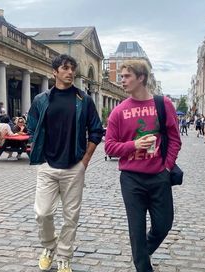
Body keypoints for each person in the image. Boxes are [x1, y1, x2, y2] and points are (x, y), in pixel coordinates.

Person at [27, 54, 103, 272]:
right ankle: (49, 247)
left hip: (74, 167)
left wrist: (84, 161)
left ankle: (64, 256)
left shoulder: (84, 99)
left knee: (71, 216)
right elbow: (31, 126)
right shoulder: (41, 99)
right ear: (55, 72)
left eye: (72, 68)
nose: (70, 72)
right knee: (42, 213)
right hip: (48, 166)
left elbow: (96, 131)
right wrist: (38, 149)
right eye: (65, 68)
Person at [105, 60, 181, 272]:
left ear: (141, 78)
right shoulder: (118, 112)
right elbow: (109, 147)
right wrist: (134, 145)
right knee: (136, 229)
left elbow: (175, 138)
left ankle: (142, 253)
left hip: (159, 176)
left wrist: (167, 167)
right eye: (121, 76)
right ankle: (142, 265)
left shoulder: (162, 104)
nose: (122, 80)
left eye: (127, 76)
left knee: (163, 224)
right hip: (131, 178)